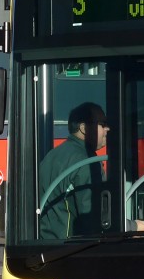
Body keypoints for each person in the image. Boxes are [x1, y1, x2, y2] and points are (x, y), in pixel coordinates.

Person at [38, 102, 109, 239]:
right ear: (84, 128)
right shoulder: (87, 161)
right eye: (102, 124)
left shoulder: (52, 155)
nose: (107, 129)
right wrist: (132, 226)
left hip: (47, 245)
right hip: (70, 250)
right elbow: (94, 218)